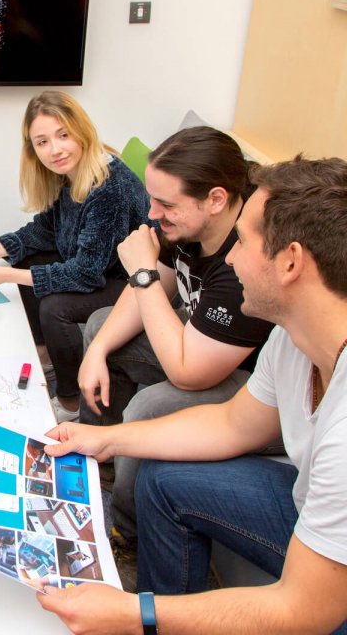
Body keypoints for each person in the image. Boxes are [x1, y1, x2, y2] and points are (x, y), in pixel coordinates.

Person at [37, 155, 347, 634]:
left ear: (291, 262)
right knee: (161, 478)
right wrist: (107, 439)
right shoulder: (294, 337)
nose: (231, 257)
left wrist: (133, 616)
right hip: (308, 505)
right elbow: (231, 424)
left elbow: (304, 610)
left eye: (242, 241)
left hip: (323, 594)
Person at [76, 126, 275, 544]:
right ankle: (97, 458)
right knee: (101, 327)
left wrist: (141, 272)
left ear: (217, 199)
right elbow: (161, 285)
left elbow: (188, 374)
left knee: (152, 405)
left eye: (165, 203)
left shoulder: (242, 262)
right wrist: (95, 350)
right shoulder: (190, 224)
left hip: (250, 377)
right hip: (201, 337)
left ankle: (126, 532)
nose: (152, 214)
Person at [0, 90, 149, 420]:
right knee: (23, 258)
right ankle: (46, 358)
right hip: (98, 269)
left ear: (81, 131)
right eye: (42, 141)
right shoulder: (70, 173)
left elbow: (86, 273)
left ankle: (71, 400)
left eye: (63, 135)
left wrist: (5, 276)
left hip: (128, 282)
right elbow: (47, 229)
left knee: (54, 306)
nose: (55, 150)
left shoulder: (110, 189)